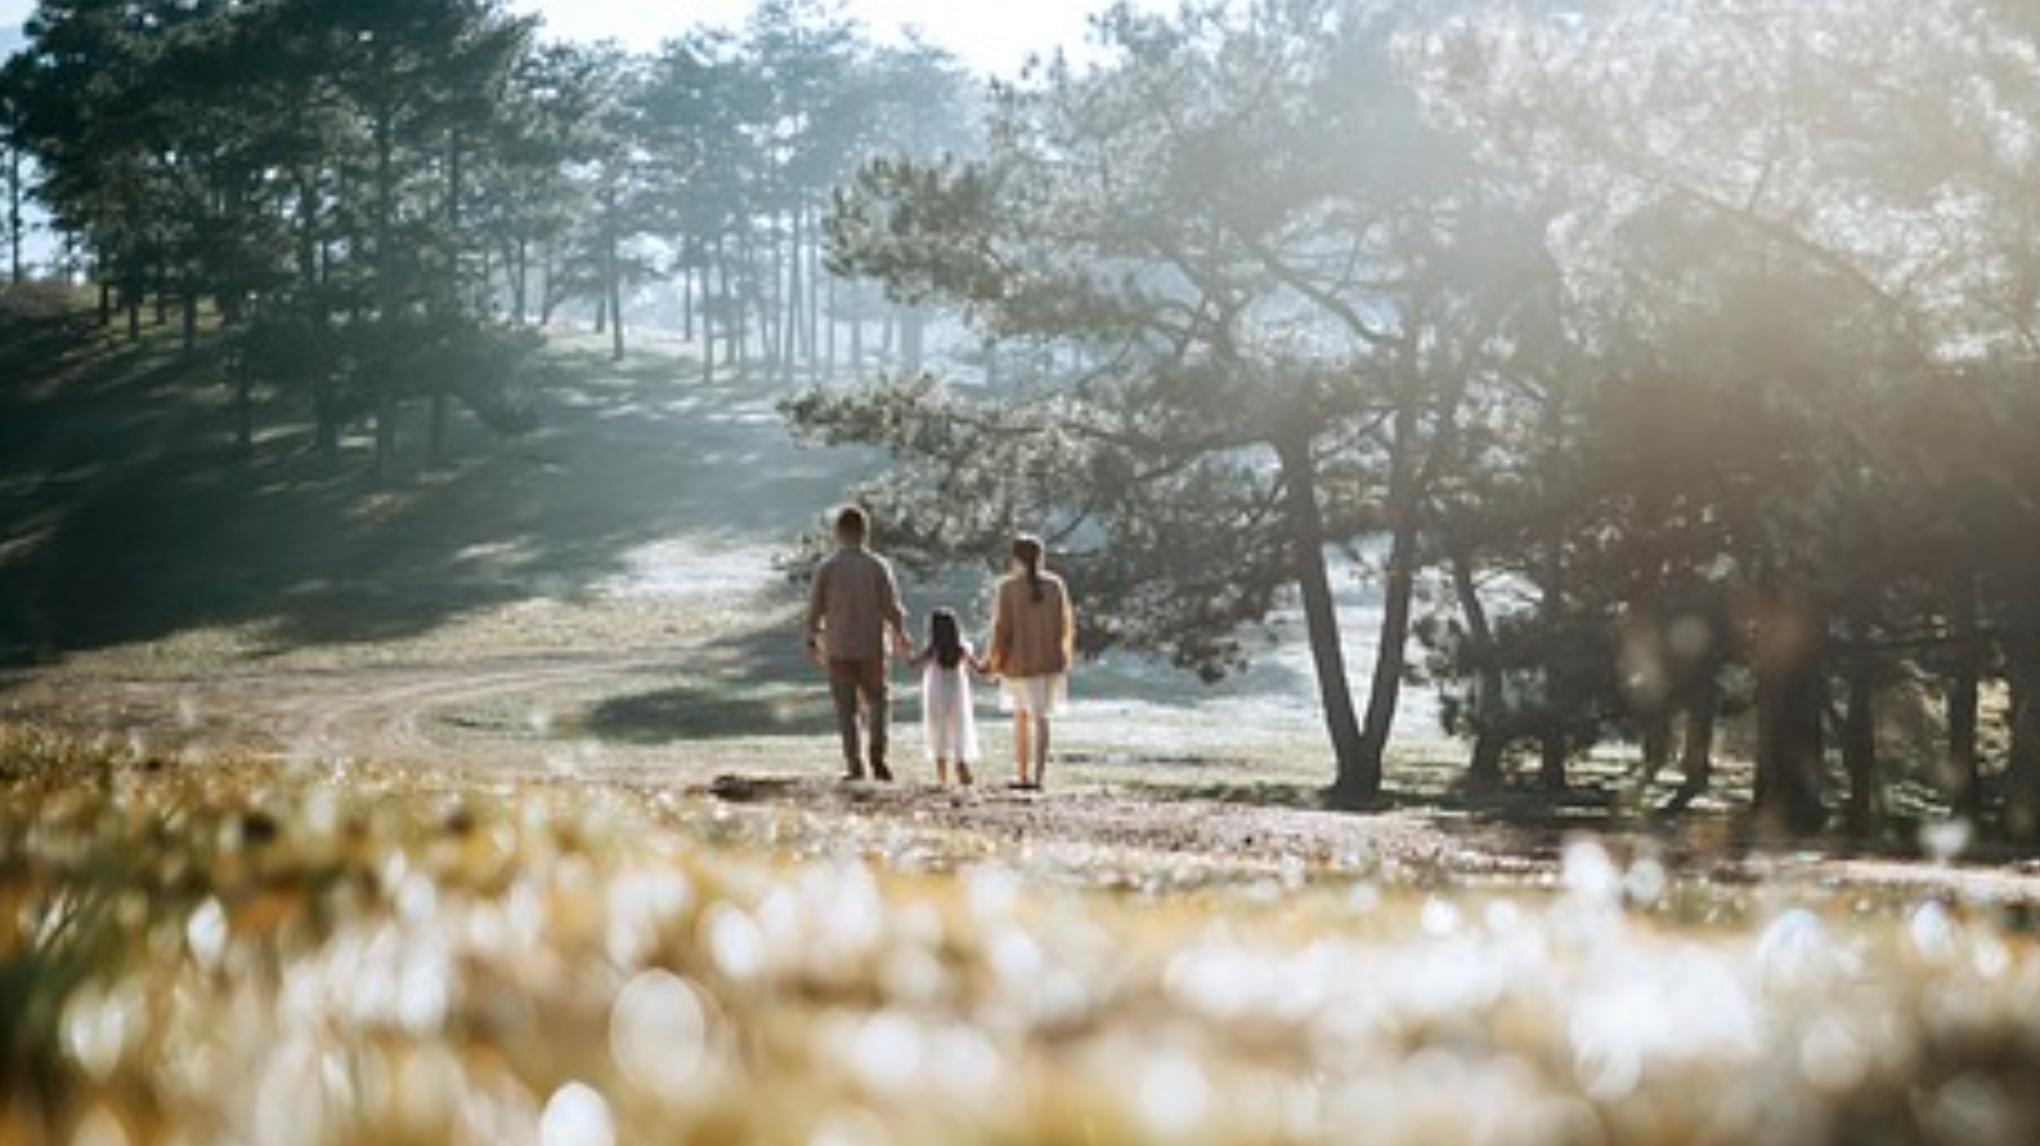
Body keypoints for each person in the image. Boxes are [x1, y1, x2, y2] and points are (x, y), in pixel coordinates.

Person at [805, 506, 910, 781]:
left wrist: (812, 638)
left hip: (838, 646)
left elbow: (815, 608)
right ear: (865, 532)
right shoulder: (877, 566)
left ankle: (854, 762)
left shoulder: (827, 568)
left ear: (838, 533)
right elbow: (892, 606)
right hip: (872, 645)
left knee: (846, 709)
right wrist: (900, 633)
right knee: (878, 701)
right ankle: (878, 754)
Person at [985, 534, 1075, 789]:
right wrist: (1061, 657)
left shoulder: (1008, 588)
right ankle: (1039, 776)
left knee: (1021, 717)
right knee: (1042, 718)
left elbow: (1002, 630)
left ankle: (1022, 773)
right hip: (1048, 662)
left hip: (1019, 663)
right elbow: (1064, 625)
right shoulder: (1055, 585)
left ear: (1015, 558)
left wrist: (993, 662)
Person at [913, 608, 986, 786]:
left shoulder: (933, 650)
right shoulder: (961, 649)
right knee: (959, 727)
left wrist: (905, 650)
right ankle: (961, 764)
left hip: (936, 694)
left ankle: (942, 777)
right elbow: (980, 669)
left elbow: (913, 663)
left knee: (938, 730)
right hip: (957, 693)